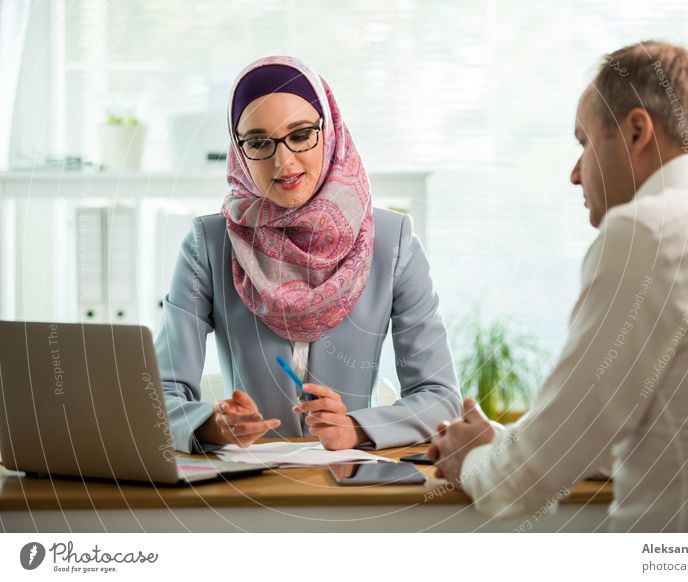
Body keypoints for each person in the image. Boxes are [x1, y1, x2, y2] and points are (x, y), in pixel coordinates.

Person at [429, 41, 688, 532]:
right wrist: (502, 438)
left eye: (584, 142)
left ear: (636, 131)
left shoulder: (646, 232)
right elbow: (669, 426)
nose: (575, 172)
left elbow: (520, 485)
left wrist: (469, 459)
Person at [156, 55, 460, 454]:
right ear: (238, 150)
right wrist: (211, 426)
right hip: (247, 487)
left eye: (300, 135)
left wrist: (357, 428)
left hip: (348, 487)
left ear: (330, 131)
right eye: (259, 143)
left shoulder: (391, 241)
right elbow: (159, 392)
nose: (283, 161)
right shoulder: (210, 244)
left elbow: (439, 396)